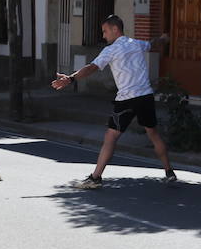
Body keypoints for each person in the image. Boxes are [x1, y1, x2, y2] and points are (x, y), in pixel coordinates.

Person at [51, 14, 176, 189]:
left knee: (110, 137)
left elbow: (91, 68)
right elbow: (152, 43)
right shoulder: (136, 43)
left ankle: (95, 178)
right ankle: (169, 172)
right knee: (153, 133)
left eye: (105, 31)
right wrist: (163, 38)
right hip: (146, 96)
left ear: (115, 29)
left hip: (126, 100)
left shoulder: (111, 50)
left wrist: (70, 79)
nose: (103, 36)